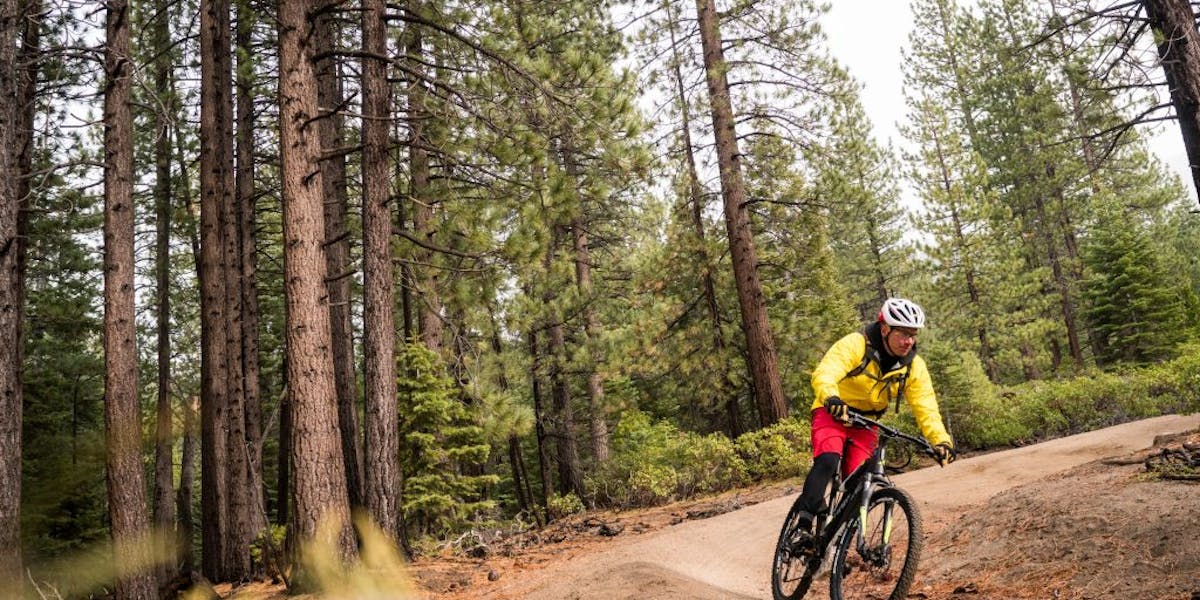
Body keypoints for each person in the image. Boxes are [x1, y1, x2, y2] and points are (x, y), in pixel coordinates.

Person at [794, 297, 956, 530]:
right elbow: (826, 372)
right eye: (903, 333)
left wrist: (941, 441)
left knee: (860, 485)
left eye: (913, 334)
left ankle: (840, 543)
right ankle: (804, 525)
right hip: (833, 411)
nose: (908, 341)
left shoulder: (913, 367)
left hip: (867, 422)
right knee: (828, 460)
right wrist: (831, 398)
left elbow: (926, 406)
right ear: (884, 329)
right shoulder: (856, 344)